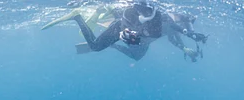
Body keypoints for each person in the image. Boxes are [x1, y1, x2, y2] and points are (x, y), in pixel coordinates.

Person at [59, 2, 207, 61]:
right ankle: (77, 16)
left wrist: (188, 41)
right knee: (95, 47)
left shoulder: (167, 24)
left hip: (139, 38)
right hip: (122, 27)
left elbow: (175, 33)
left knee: (137, 56)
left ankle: (112, 44)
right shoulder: (163, 17)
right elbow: (176, 29)